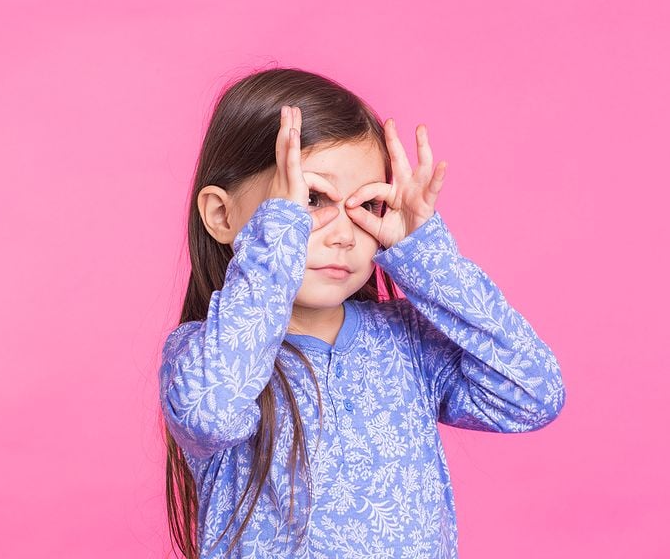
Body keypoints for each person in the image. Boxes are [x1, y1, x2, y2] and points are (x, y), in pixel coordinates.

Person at [158, 67, 566, 559]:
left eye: (366, 205)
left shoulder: (407, 340)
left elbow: (532, 395)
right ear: (223, 215)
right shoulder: (205, 357)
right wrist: (279, 237)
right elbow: (209, 415)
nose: (344, 235)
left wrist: (425, 253)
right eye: (310, 199)